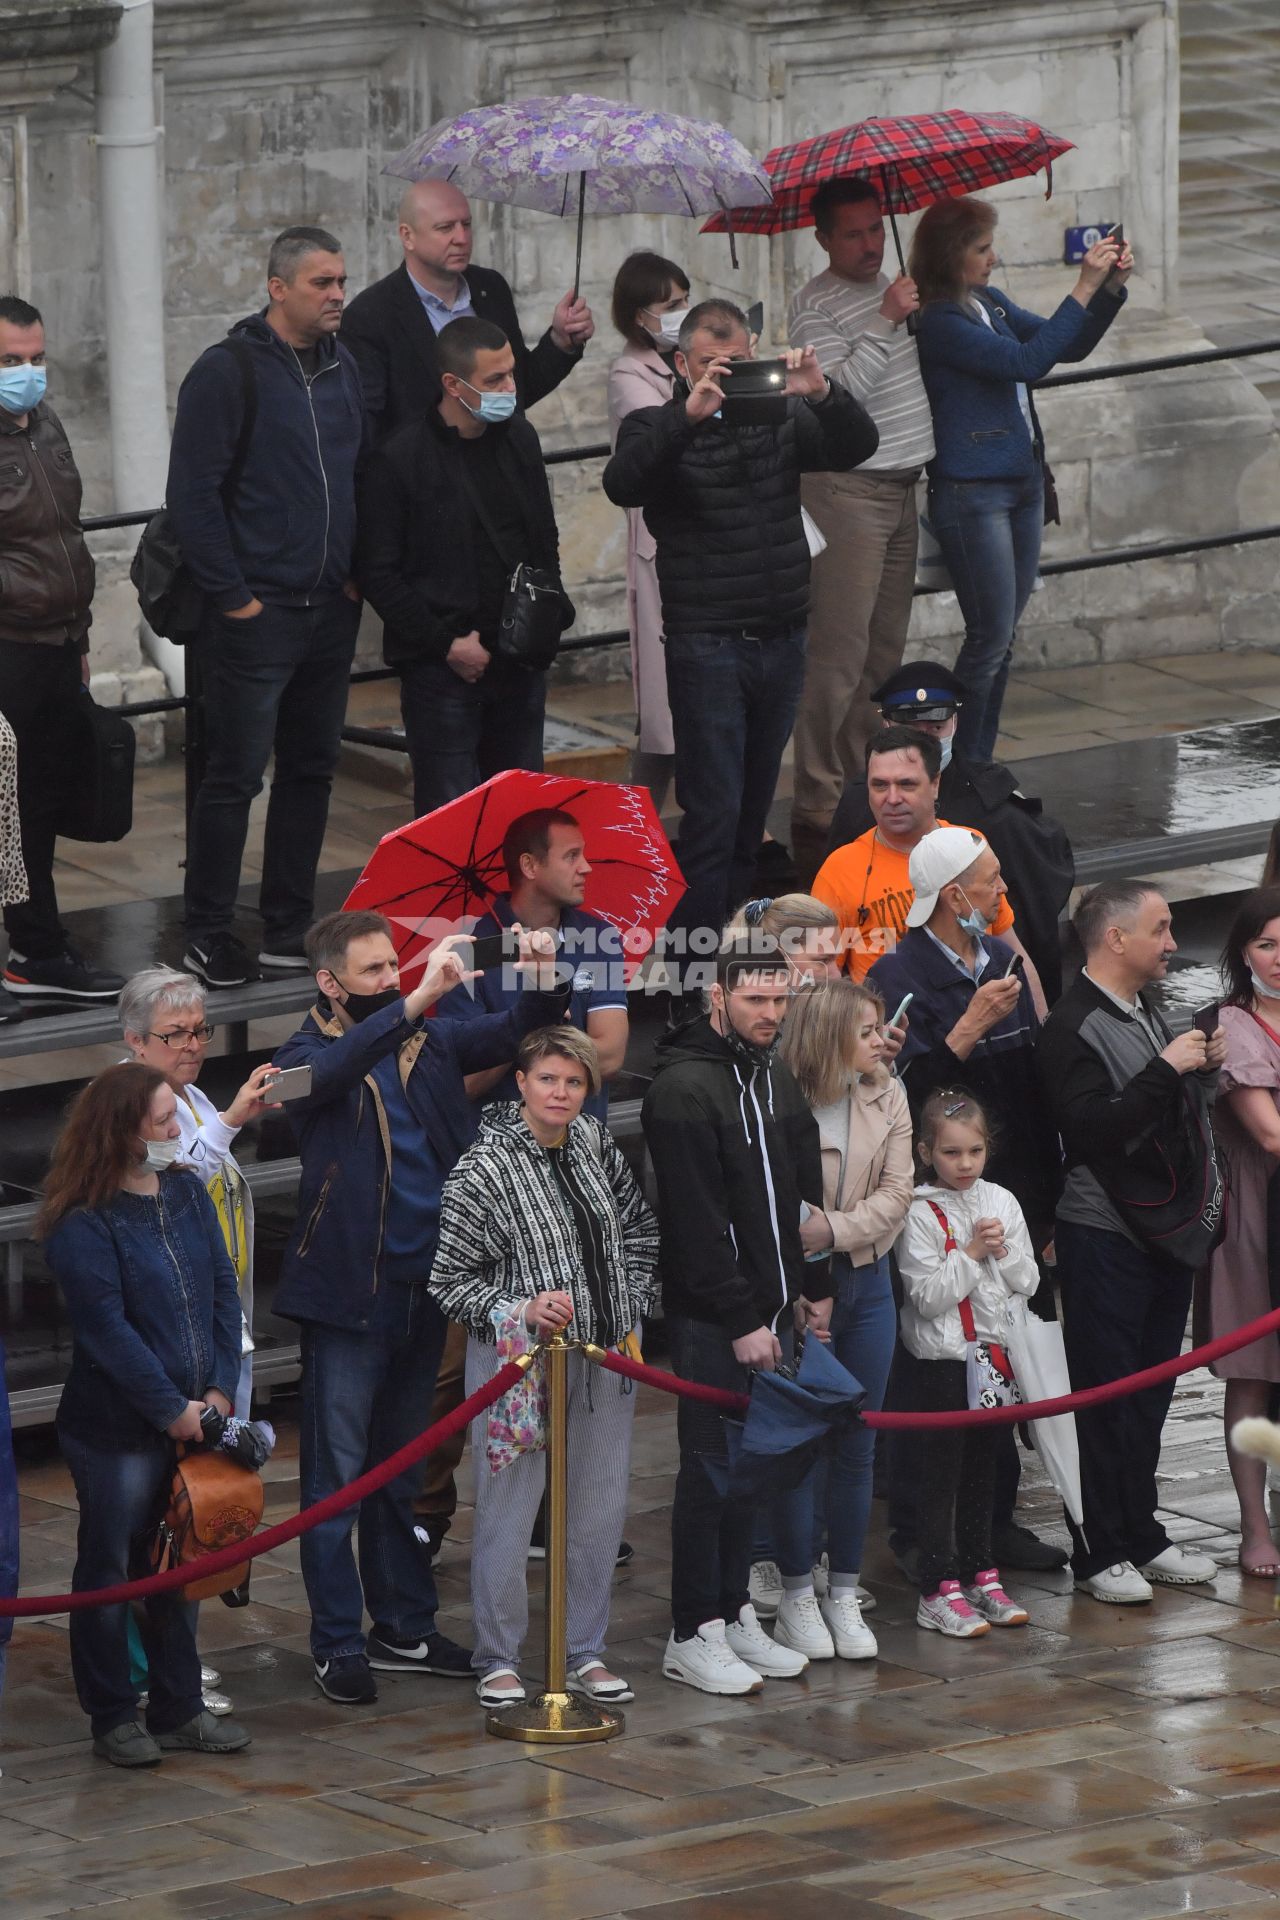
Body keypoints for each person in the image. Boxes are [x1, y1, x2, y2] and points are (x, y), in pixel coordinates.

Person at [269, 909, 569, 1705]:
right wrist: (410, 1006)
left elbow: (516, 1034)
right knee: (336, 1481)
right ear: (330, 982)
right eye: (372, 973)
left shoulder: (426, 1040)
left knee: (402, 1473)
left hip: (424, 1288)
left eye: (392, 968)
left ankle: (401, 1624)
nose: (391, 982)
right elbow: (326, 1079)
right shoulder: (299, 1056)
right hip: (346, 1299)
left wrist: (543, 975)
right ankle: (336, 1639)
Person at [603, 300, 879, 969]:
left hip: (782, 635)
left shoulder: (780, 415)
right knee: (712, 816)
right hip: (709, 645)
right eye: (708, 364)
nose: (724, 375)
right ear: (681, 363)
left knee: (752, 811)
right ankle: (691, 974)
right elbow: (623, 483)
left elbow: (857, 446)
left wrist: (825, 392)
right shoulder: (656, 423)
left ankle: (735, 960)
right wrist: (685, 417)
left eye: (736, 362)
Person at [419, 806, 629, 1558]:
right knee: (463, 1362)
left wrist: (536, 1051)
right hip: (494, 1181)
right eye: (571, 855)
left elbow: (610, 1049)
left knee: (578, 1345)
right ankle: (427, 1513)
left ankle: (558, 1513)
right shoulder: (475, 945)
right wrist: (537, 1046)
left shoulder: (597, 935)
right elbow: (461, 1075)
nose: (586, 868)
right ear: (528, 866)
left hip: (575, 1176)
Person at [430, 1026, 658, 1704]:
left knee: (596, 1510)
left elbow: (640, 1229)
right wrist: (521, 1309)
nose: (561, 1092)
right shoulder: (483, 1166)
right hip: (517, 1363)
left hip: (605, 1355)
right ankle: (497, 1657)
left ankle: (585, 1650)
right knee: (506, 1512)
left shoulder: (593, 1141)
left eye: (574, 1082)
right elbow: (449, 1279)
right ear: (522, 1083)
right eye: (549, 1079)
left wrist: (629, 1302)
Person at [166, 226, 366, 990]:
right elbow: (193, 495)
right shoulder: (228, 372)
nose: (337, 294)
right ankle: (209, 928)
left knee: (312, 770)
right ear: (279, 288)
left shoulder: (346, 369)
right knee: (234, 775)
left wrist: (352, 576)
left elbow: (359, 474)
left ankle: (287, 923)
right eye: (321, 282)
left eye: (341, 279)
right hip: (259, 613)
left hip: (328, 607)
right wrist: (236, 598)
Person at [37, 1064, 253, 1766]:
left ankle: (179, 1707)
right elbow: (107, 1332)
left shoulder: (187, 1190)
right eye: (163, 1119)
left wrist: (219, 1392)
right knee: (111, 1569)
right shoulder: (84, 1221)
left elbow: (224, 1289)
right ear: (122, 1130)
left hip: (195, 1413)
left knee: (178, 1562)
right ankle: (112, 1714)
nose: (175, 1129)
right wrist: (172, 1411)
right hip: (116, 1429)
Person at [866, 825, 1066, 1578]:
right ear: (956, 898)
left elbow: (1032, 1091)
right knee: (936, 1380)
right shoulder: (899, 977)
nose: (1003, 897)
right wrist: (966, 1030)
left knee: (1001, 1366)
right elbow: (895, 1103)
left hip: (1007, 1200)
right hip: (931, 1213)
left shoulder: (1008, 960)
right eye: (992, 885)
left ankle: (994, 1524)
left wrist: (1041, 1206)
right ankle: (924, 1535)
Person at [642, 931, 832, 1694]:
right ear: (716, 997)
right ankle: (692, 1630)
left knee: (749, 1473)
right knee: (709, 1473)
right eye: (755, 999)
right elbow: (694, 1221)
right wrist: (742, 1317)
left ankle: (731, 1613)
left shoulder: (773, 1074)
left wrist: (815, 1286)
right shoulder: (683, 1090)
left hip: (775, 1308)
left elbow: (798, 1190)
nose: (770, 1014)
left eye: (780, 1000)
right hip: (714, 1319)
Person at [1036, 881, 1225, 1602]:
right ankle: (1098, 1549)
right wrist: (1167, 1068)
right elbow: (1091, 1130)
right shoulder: (1070, 1025)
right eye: (1161, 928)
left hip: (1162, 1230)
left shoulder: (1147, 1008)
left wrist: (1199, 1070)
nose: (1173, 943)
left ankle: (1142, 1533)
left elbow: (1164, 1111)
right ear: (1115, 939)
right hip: (1104, 1231)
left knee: (1150, 1390)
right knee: (1104, 1392)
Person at [911, 197, 1131, 763]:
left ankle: (978, 763)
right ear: (949, 255)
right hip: (973, 492)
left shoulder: (986, 301)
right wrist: (1080, 286)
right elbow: (1026, 363)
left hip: (1023, 482)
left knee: (1001, 640)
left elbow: (1068, 345)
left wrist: (1104, 290)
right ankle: (953, 765)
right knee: (988, 640)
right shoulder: (937, 320)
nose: (993, 257)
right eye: (981, 249)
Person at [356, 316, 571, 817]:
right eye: (495, 380)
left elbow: (544, 536)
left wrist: (550, 614)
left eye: (511, 374)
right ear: (453, 384)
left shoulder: (519, 438)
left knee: (524, 815)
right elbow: (378, 572)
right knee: (452, 818)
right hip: (443, 673)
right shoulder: (400, 459)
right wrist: (445, 644)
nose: (510, 388)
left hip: (520, 663)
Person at [787, 179, 935, 869]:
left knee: (883, 654)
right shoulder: (815, 304)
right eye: (853, 233)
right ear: (822, 238)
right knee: (837, 655)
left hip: (905, 487)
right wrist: (882, 319)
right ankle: (816, 800)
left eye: (877, 229)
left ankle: (860, 785)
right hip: (848, 491)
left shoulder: (899, 287)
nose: (871, 243)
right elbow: (836, 399)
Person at [767, 978, 911, 1661]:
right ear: (829, 1038)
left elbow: (898, 1193)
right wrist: (807, 1267)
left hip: (868, 1281)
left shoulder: (888, 1089)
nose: (881, 1041)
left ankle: (843, 1591)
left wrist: (831, 1232)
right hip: (798, 1291)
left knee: (857, 1445)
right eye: (867, 1031)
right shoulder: (778, 1097)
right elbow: (769, 1203)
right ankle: (796, 1594)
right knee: (799, 1447)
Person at [0, 295, 122, 1008]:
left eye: (36, 359)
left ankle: (37, 948)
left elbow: (63, 533)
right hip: (7, 645)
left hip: (54, 645)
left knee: (38, 802)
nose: (28, 373)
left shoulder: (44, 426)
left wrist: (77, 636)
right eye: (11, 361)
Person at [827, 661, 1074, 1001]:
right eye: (881, 787)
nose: (893, 799)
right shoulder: (856, 813)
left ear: (954, 722)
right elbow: (827, 957)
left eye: (935, 726)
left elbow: (1019, 935)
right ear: (887, 725)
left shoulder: (995, 812)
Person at [897, 1089, 1040, 1637]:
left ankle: (982, 1572)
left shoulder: (1002, 1202)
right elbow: (926, 1298)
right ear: (927, 1150)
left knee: (988, 1463)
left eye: (975, 1151)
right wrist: (971, 1254)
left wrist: (1003, 1252)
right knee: (941, 1474)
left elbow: (1028, 1282)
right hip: (942, 1362)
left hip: (994, 1357)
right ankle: (937, 1586)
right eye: (952, 1153)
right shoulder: (916, 1212)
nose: (965, 1164)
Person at [120, 967, 277, 1421]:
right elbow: (171, 1178)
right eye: (175, 1035)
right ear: (136, 1039)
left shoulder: (191, 1095)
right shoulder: (120, 1100)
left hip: (218, 1293)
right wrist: (231, 1120)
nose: (193, 1044)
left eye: (200, 1031)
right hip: (173, 1307)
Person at [341, 180, 592, 438]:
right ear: (408, 236)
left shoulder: (490, 288)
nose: (461, 238)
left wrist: (561, 342)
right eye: (445, 228)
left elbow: (516, 389)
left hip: (502, 464)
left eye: (467, 224)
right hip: (425, 473)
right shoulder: (371, 316)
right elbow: (368, 426)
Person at [813, 726, 1042, 1006]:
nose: (892, 798)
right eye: (879, 785)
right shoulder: (839, 870)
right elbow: (821, 975)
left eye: (907, 784)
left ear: (935, 784)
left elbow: (1014, 953)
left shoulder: (969, 846)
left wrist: (1041, 1027)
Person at [1207, 888, 1280, 1577]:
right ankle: (1255, 1527)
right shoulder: (1235, 1025)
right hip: (1258, 1220)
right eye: (1267, 945)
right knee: (1253, 1372)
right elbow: (1269, 1133)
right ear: (1242, 953)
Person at [606, 251, 692, 806]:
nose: (682, 313)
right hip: (661, 549)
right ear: (641, 315)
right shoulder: (629, 374)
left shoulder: (688, 360)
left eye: (686, 301)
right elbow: (666, 438)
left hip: (707, 544)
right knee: (663, 715)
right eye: (671, 306)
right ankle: (639, 826)